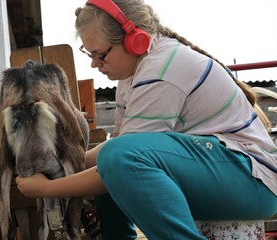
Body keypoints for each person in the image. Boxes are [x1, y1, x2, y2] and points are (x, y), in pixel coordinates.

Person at [16, 0, 277, 239]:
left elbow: (120, 159)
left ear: (135, 41)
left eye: (101, 54)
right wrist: (67, 163)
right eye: (89, 54)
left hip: (252, 182)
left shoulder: (161, 69)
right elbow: (118, 149)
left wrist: (46, 189)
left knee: (118, 159)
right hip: (223, 174)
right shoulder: (131, 75)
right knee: (115, 159)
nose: (95, 64)